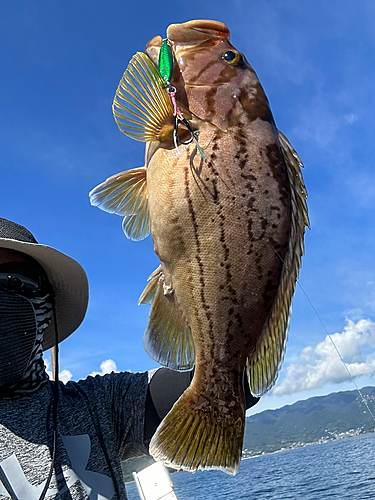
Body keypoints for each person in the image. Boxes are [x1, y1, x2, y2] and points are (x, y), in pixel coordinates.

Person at [0, 218, 259, 500]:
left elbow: (237, 379)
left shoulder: (98, 405)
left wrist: (227, 272)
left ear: (45, 307)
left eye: (13, 280)